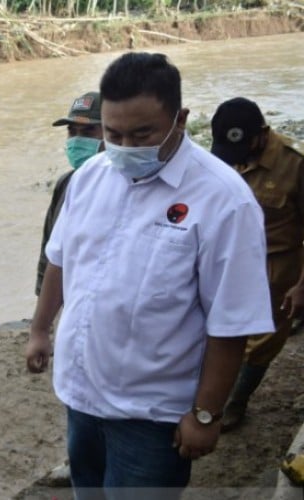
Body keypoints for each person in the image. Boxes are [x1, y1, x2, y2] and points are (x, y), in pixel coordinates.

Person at [24, 52, 274, 499]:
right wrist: (41, 329)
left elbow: (231, 322)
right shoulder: (91, 178)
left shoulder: (224, 202)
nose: (126, 147)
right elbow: (60, 258)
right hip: (81, 395)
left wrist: (205, 414)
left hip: (152, 416)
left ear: (180, 118)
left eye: (142, 134)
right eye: (114, 133)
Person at [209, 97, 304, 432]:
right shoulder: (224, 157)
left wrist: (301, 286)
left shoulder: (295, 164)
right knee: (217, 333)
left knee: (259, 344)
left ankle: (234, 404)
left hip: (276, 268)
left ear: (262, 134)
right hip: (228, 261)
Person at [35, 91, 104, 296]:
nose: (77, 141)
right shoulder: (67, 183)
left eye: (88, 132)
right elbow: (49, 251)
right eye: (72, 132)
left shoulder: (128, 186)